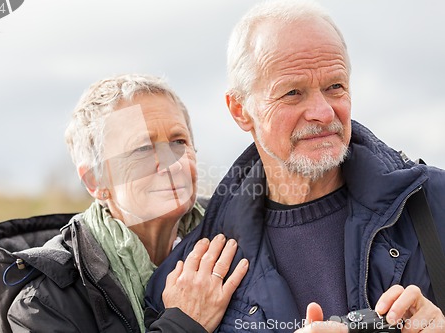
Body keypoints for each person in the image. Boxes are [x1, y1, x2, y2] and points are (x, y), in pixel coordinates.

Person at [145, 1, 445, 332]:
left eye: (335, 87)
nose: (324, 113)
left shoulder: (435, 203)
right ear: (241, 110)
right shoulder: (185, 284)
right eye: (293, 93)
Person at [0, 74, 248, 333]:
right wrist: (184, 324)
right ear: (95, 181)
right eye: (143, 148)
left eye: (179, 141)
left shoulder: (242, 235)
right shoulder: (42, 304)